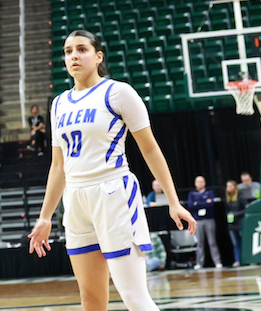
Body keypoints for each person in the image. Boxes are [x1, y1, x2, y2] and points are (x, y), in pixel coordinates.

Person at [29, 29, 196, 311]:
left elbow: (150, 149)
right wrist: (45, 217)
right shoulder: (58, 104)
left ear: (98, 56)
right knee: (91, 300)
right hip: (76, 199)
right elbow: (58, 166)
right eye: (68, 51)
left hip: (113, 193)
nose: (74, 56)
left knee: (133, 295)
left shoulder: (117, 92)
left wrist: (173, 201)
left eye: (81, 49)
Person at [188, 176, 222, 268]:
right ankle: (199, 263)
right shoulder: (192, 194)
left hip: (209, 219)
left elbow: (211, 204)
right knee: (200, 243)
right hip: (197, 221)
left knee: (212, 241)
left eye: (201, 182)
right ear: (195, 183)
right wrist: (204, 203)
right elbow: (191, 205)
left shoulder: (209, 193)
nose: (200, 184)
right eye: (198, 182)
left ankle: (217, 261)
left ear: (204, 183)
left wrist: (198, 203)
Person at [224, 179, 246, 267]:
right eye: (227, 186)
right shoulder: (227, 198)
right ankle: (237, 260)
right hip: (231, 224)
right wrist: (229, 215)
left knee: (243, 242)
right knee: (235, 243)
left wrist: (237, 214)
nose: (229, 188)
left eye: (230, 186)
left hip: (240, 223)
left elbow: (246, 208)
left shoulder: (241, 196)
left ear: (234, 187)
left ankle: (245, 259)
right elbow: (227, 210)